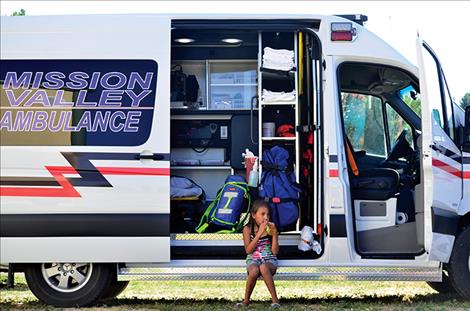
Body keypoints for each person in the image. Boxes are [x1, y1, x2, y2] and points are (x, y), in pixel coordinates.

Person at [236, 199, 280, 308]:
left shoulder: (270, 228)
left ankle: (275, 301)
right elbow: (248, 250)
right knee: (255, 270)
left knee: (264, 267)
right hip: (253, 259)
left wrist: (275, 235)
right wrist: (259, 233)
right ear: (254, 215)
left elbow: (275, 252)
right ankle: (246, 301)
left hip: (269, 260)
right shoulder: (247, 229)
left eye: (268, 215)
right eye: (263, 214)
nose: (266, 217)